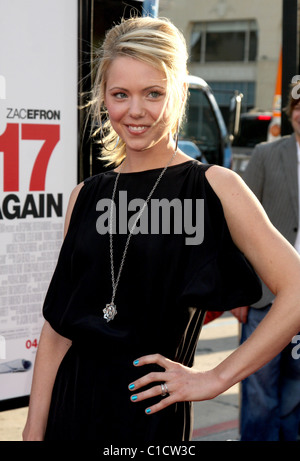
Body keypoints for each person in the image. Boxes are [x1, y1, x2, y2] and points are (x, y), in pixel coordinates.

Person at [22, 16, 300, 443]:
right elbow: (59, 329)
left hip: (151, 422)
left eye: (153, 93)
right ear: (102, 97)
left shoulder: (214, 188)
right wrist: (33, 429)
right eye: (120, 94)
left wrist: (217, 377)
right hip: (68, 412)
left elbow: (296, 289)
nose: (135, 111)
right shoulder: (85, 196)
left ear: (179, 94)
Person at [233, 85, 300, 441]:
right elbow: (239, 226)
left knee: (294, 393)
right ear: (291, 113)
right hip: (264, 297)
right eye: (298, 106)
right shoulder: (265, 154)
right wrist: (239, 291)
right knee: (258, 393)